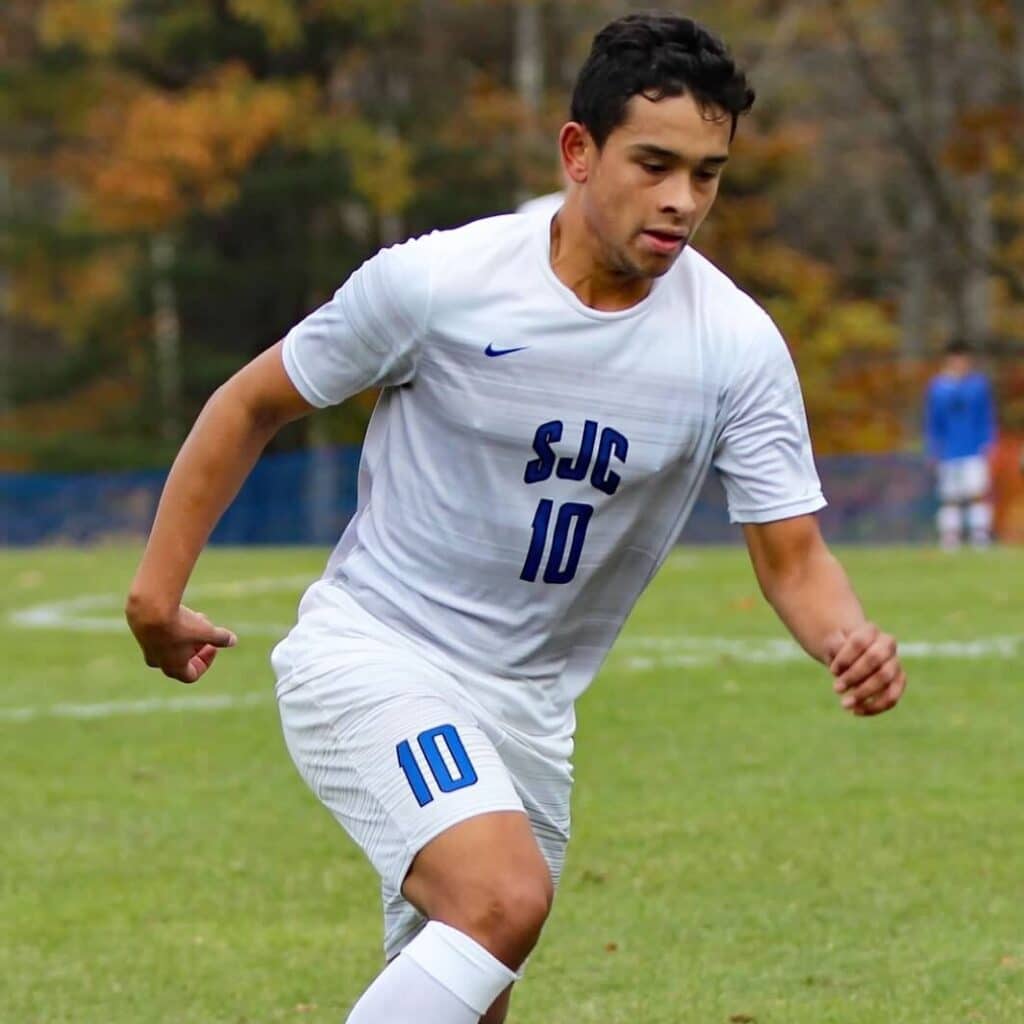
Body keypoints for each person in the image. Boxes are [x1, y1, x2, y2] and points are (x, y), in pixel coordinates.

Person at [126, 13, 908, 1023]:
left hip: (531, 712)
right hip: (376, 654)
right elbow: (251, 402)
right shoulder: (439, 284)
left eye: (706, 174)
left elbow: (793, 557)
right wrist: (156, 593)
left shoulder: (737, 349)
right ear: (577, 152)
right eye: (654, 162)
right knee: (503, 898)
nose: (680, 199)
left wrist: (847, 638)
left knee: (472, 980)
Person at [924, 338, 997, 549]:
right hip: (948, 451)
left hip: (973, 449)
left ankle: (980, 536)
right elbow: (933, 421)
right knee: (950, 496)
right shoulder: (938, 388)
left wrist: (988, 443)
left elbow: (986, 417)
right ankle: (950, 538)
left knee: (976, 493)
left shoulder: (978, 385)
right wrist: (934, 448)